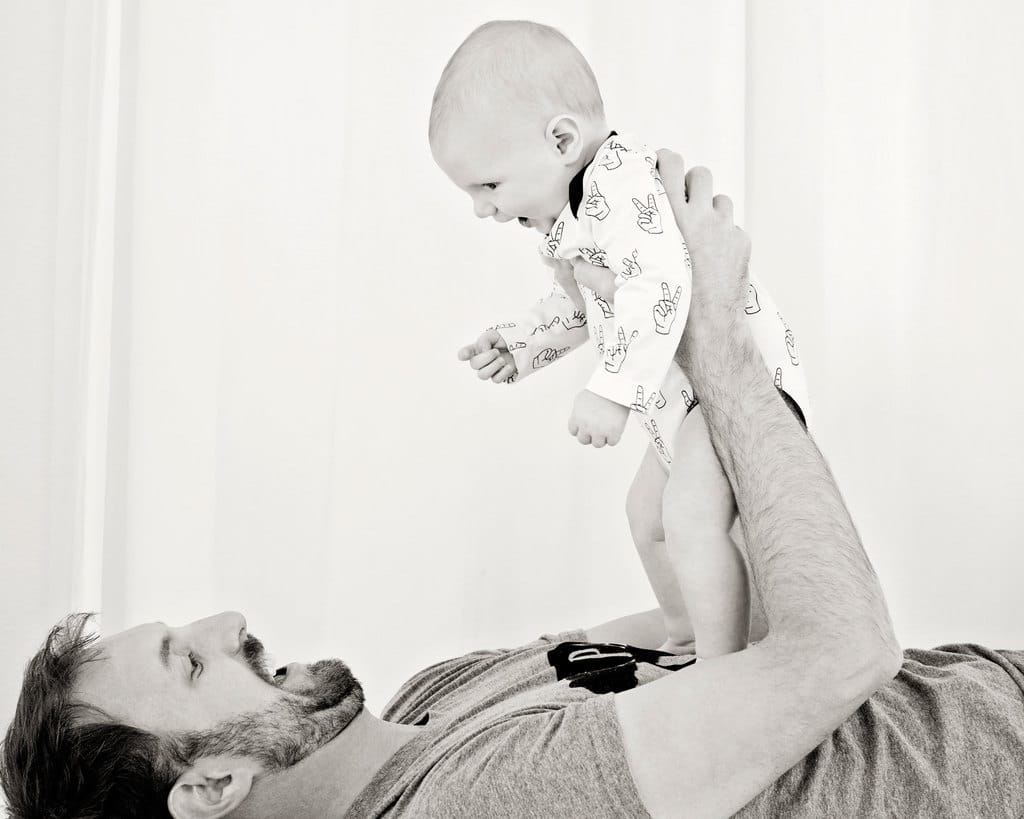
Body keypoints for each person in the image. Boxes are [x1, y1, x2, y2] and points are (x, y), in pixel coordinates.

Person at [4, 155, 1024, 819]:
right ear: (212, 784)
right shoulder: (477, 804)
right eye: (189, 664)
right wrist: (718, 348)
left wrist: (663, 382)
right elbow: (841, 648)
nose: (228, 619)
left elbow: (747, 618)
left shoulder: (434, 700)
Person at [434, 20, 809, 659]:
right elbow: (587, 298)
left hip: (735, 391)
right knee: (648, 518)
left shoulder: (624, 186)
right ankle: (687, 634)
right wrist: (523, 344)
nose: (482, 210)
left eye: (489, 186)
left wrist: (612, 390)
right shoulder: (573, 214)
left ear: (560, 139)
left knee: (691, 518)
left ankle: (723, 667)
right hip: (683, 405)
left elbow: (657, 285)